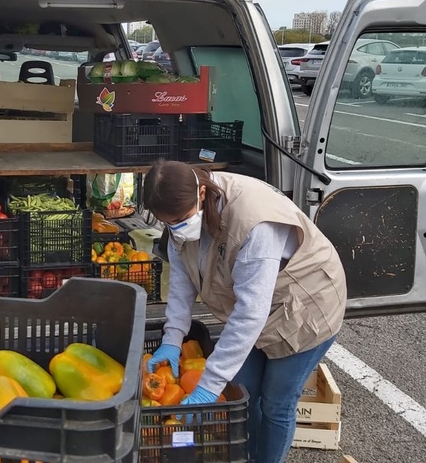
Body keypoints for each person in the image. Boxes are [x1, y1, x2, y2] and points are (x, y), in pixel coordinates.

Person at [143, 159, 346, 463]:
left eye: (181, 219)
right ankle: (246, 456)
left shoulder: (254, 223)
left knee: (278, 402)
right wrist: (172, 338)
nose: (176, 228)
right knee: (244, 391)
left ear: (200, 193)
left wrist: (208, 386)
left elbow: (251, 314)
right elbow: (183, 281)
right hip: (258, 305)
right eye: (168, 223)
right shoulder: (181, 216)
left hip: (306, 306)